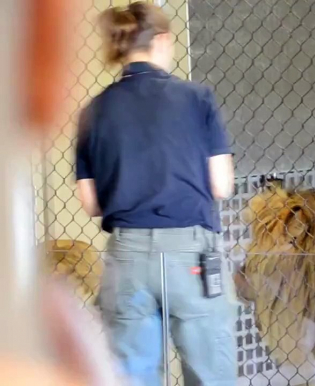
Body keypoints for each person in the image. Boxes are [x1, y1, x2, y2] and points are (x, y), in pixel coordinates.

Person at [74, 2, 237, 385]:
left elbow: (91, 203)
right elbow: (222, 185)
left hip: (127, 257)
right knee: (210, 371)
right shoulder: (197, 99)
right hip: (191, 255)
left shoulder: (93, 110)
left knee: (132, 374)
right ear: (161, 40)